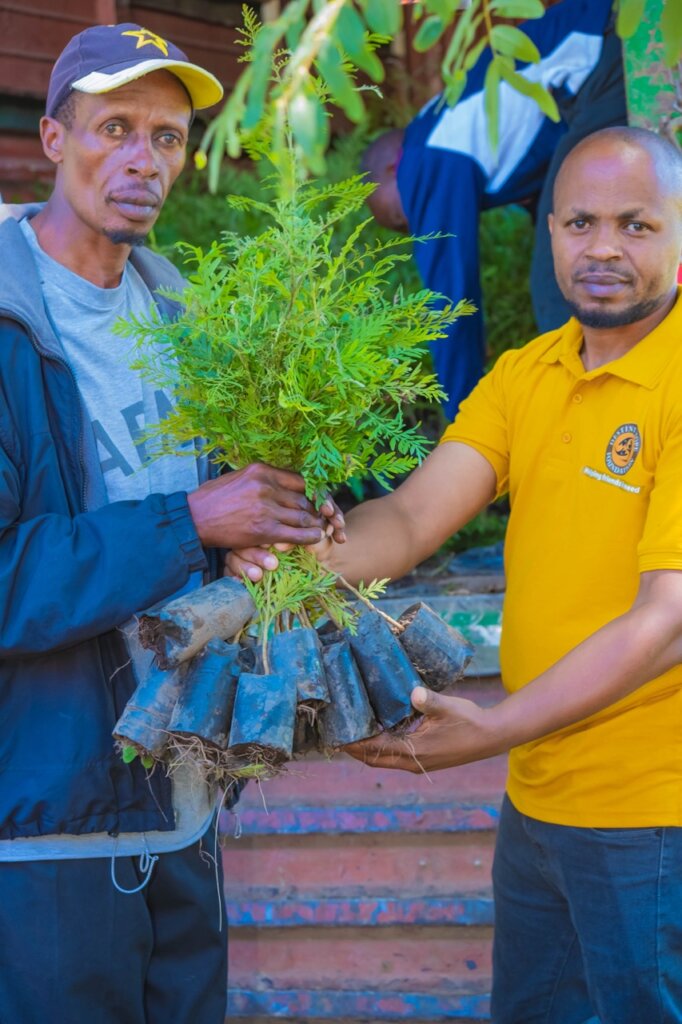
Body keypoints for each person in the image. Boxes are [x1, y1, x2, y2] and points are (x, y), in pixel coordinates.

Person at [231, 126, 682, 1023]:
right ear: (549, 232)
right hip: (539, 802)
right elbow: (409, 519)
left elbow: (666, 619)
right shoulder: (528, 373)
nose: (602, 248)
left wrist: (495, 728)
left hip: (653, 812)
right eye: (581, 222)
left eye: (636, 225)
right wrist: (294, 548)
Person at [0, 22, 344, 1024]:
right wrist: (192, 519)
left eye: (166, 137)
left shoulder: (184, 317)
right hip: (48, 826)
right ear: (55, 139)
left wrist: (273, 518)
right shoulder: (11, 325)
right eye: (115, 128)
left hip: (184, 806)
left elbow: (216, 529)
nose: (143, 160)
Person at [363, 0, 627, 419]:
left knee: (561, 280)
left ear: (394, 168)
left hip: (603, 52)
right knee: (572, 253)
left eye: (401, 217)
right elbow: (547, 184)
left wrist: (463, 422)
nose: (415, 226)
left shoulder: (424, 161)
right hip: (600, 51)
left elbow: (449, 304)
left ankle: (595, 413)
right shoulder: (447, 131)